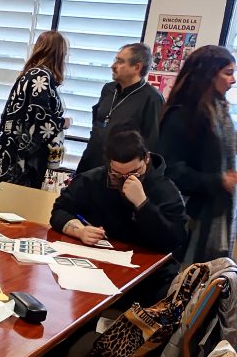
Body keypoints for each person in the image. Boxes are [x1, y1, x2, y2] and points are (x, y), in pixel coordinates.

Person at [51, 127, 186, 301]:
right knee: (71, 298)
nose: (125, 180)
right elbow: (60, 210)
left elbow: (173, 241)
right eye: (116, 174)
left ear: (146, 158)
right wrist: (79, 231)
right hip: (100, 268)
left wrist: (143, 204)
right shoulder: (92, 180)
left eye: (133, 173)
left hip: (150, 277)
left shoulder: (165, 189)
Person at [158, 44, 237, 263]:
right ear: (209, 75)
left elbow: (214, 152)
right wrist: (218, 180)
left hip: (215, 210)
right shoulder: (182, 115)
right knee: (189, 282)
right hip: (190, 216)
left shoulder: (219, 111)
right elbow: (171, 171)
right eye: (228, 73)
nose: (233, 80)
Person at [0, 30, 69, 187]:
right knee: (16, 207)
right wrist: (62, 122)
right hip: (23, 160)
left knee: (4, 204)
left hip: (12, 152)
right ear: (59, 54)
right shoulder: (40, 77)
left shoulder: (29, 74)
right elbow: (39, 117)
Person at [76, 42, 162, 174]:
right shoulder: (108, 89)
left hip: (120, 172)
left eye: (120, 62)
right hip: (91, 163)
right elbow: (98, 123)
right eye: (115, 60)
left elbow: (151, 144)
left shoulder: (152, 98)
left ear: (137, 67)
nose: (113, 66)